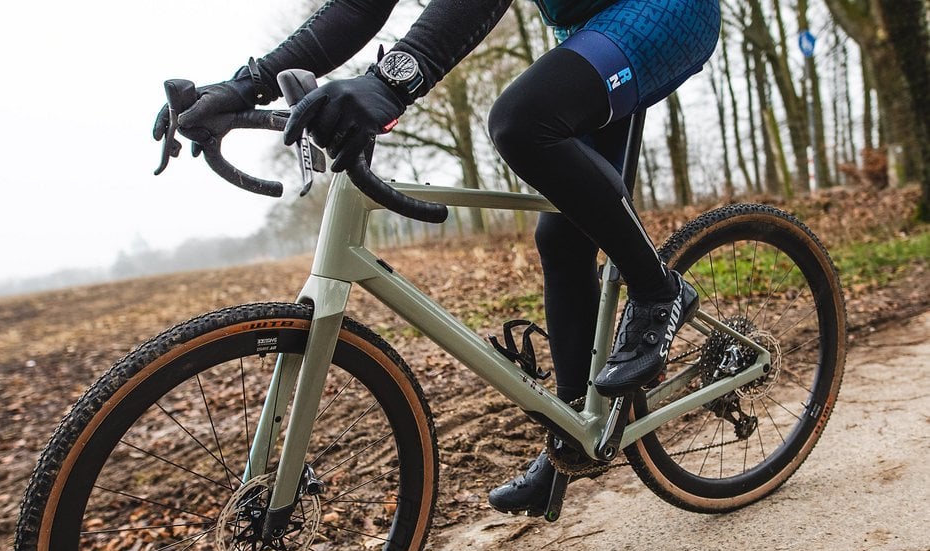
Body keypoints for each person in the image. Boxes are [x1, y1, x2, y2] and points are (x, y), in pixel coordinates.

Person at [164, 0, 721, 514]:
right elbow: (357, 7)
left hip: (662, 9)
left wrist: (391, 81)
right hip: (593, 26)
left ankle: (658, 290)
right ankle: (570, 437)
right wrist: (244, 87)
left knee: (521, 121)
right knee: (563, 236)